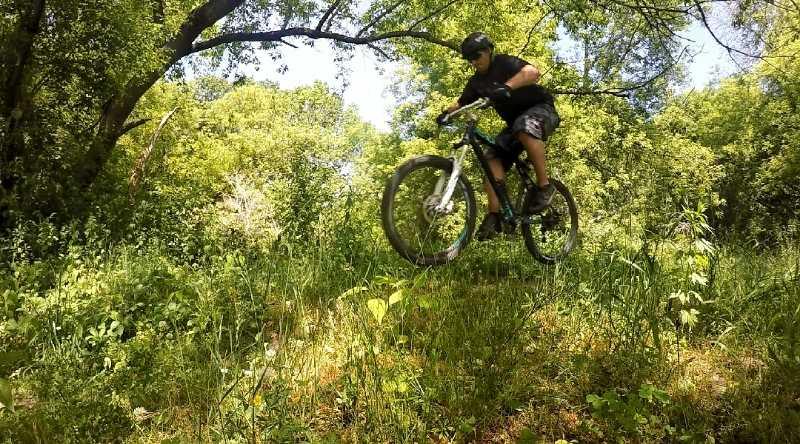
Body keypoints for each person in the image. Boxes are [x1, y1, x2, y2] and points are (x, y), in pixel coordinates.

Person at [437, 32, 560, 241]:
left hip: (540, 109)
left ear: (488, 51)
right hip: (514, 125)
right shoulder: (476, 82)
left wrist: (507, 87)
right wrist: (446, 113)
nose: (474, 62)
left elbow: (532, 72)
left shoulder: (504, 63)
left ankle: (545, 187)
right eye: (470, 59)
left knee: (524, 126)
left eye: (477, 56)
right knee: (490, 157)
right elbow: (462, 102)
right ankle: (495, 215)